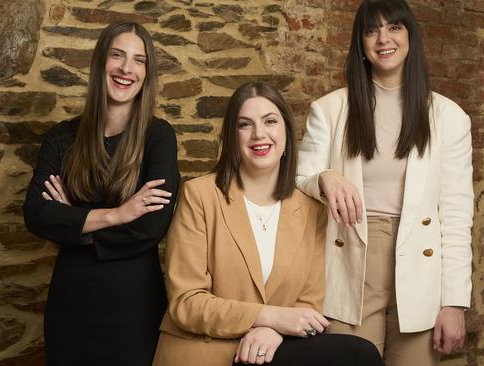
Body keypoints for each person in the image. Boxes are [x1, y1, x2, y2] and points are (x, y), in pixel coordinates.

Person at [152, 83, 383, 366]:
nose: (259, 134)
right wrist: (269, 317)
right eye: (245, 124)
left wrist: (272, 331)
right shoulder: (199, 195)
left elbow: (308, 303)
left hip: (271, 352)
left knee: (361, 354)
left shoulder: (311, 208)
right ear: (232, 136)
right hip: (206, 352)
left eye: (270, 121)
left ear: (286, 130)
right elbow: (186, 302)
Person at [296, 1, 474, 365]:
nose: (383, 39)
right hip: (349, 259)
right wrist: (326, 177)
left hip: (420, 266)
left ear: (410, 36)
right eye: (371, 30)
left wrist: (454, 303)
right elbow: (299, 182)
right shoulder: (329, 110)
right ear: (360, 43)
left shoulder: (448, 116)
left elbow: (457, 215)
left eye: (394, 27)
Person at [22, 21, 179, 365]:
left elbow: (152, 226)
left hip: (134, 305)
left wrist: (75, 225)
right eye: (117, 55)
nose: (126, 68)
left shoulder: (159, 137)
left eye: (139, 60)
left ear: (147, 73)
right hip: (71, 302)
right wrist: (116, 214)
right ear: (99, 64)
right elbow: (36, 214)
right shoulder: (61, 138)